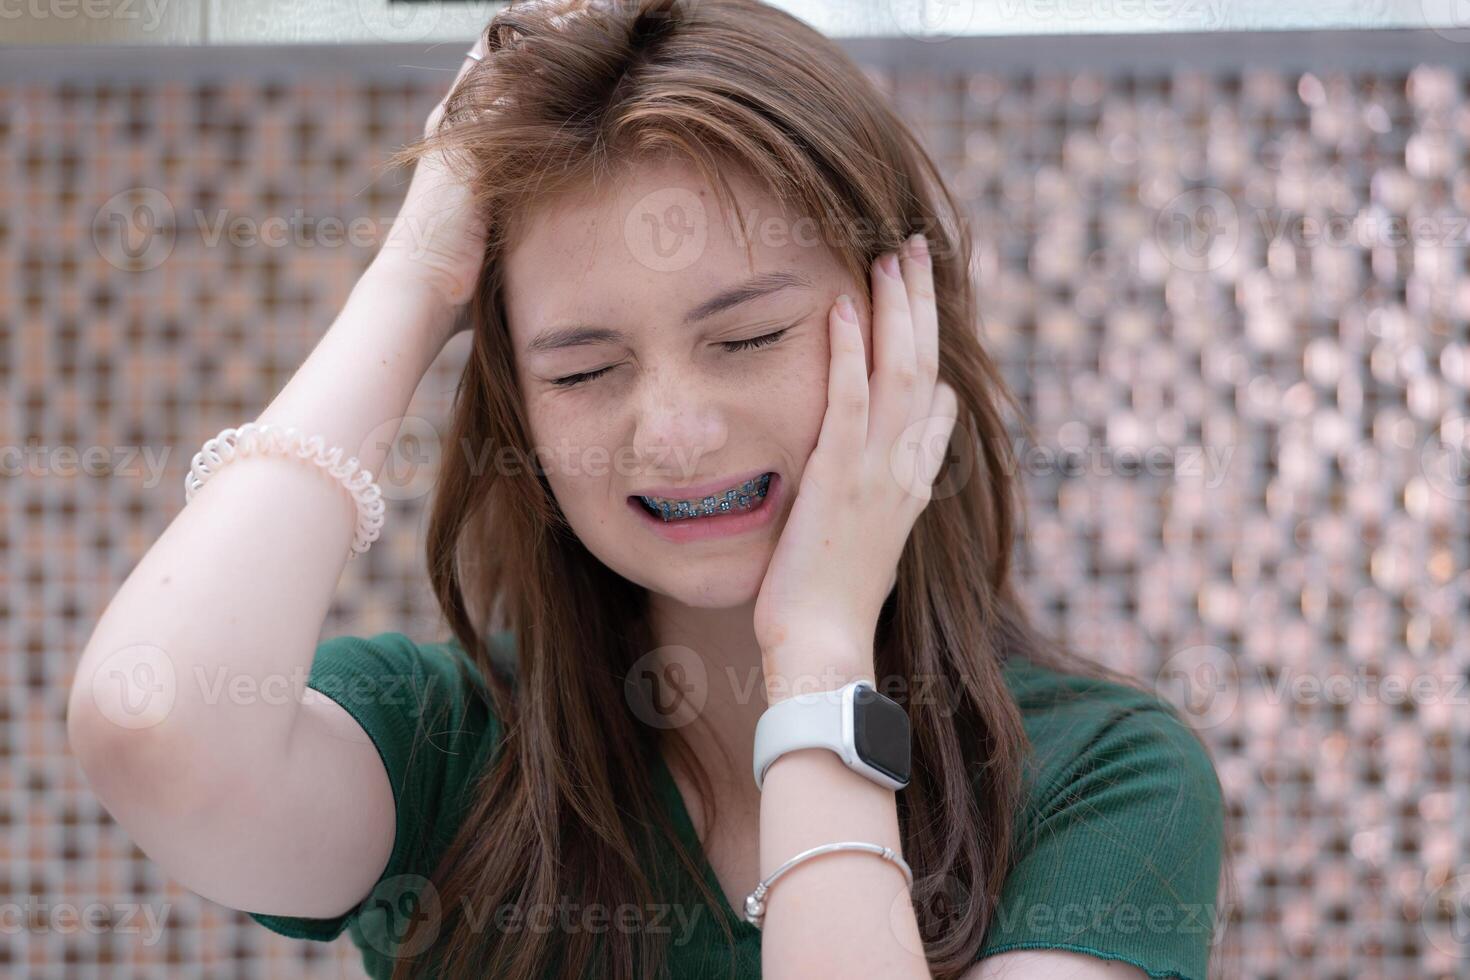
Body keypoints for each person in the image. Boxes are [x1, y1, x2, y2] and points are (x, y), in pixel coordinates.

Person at [66, 2, 1230, 979]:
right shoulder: (445, 751)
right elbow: (151, 719)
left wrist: (818, 659)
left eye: (748, 336)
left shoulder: (1100, 779)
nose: (673, 433)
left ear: (900, 327)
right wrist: (416, 279)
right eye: (583, 368)